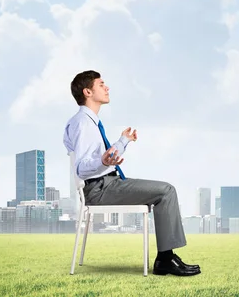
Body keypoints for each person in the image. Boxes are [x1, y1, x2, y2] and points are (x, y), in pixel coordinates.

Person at [63, 70, 201, 277]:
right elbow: (82, 168)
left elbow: (105, 157)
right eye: (101, 84)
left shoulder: (87, 122)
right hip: (100, 189)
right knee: (166, 191)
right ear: (88, 92)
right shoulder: (83, 123)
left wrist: (123, 141)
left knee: (164, 191)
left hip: (106, 183)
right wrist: (102, 161)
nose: (107, 87)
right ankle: (165, 259)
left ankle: (166, 257)